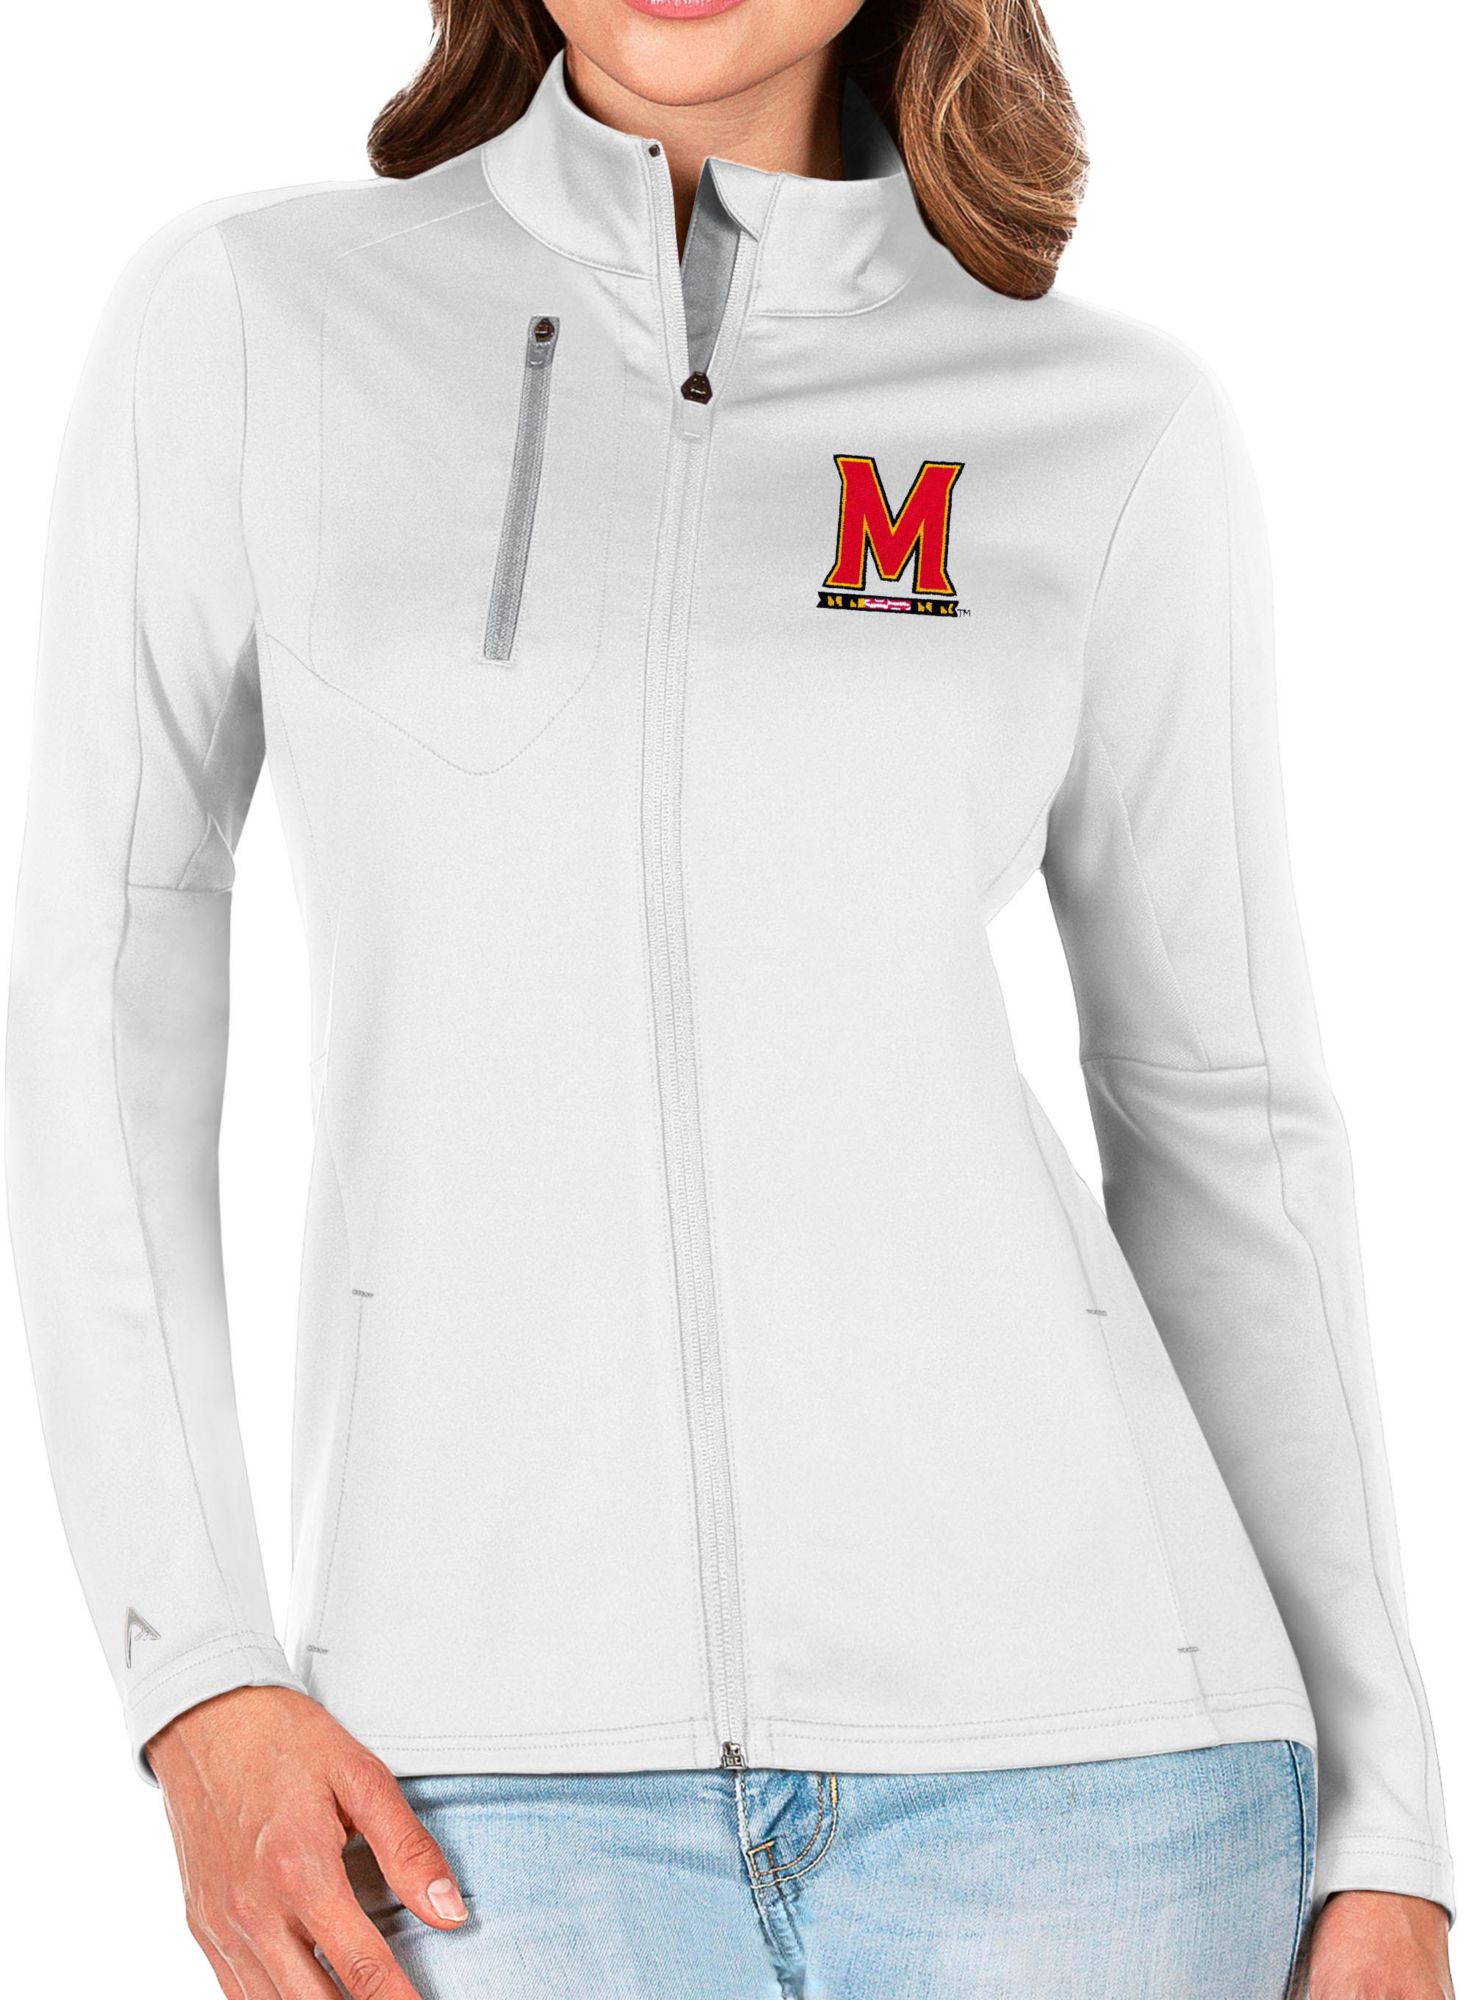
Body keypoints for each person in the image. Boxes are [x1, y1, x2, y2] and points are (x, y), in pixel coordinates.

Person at [6, 0, 1454, 1993]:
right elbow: (92, 1010)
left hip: (1096, 1776)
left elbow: (1226, 1119)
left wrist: (1387, 1821)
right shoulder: (258, 320)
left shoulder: (1100, 417)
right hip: (469, 1780)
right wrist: (192, 1674)